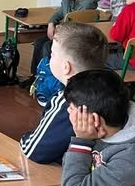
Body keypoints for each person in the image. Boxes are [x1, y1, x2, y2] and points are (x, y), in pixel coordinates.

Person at [20, 22, 108, 164]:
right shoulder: (113, 91)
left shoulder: (68, 102)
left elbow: (35, 151)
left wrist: (25, 138)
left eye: (52, 55)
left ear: (66, 67)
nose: (49, 59)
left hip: (74, 170)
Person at [29, 0, 99, 78]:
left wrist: (66, 1)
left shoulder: (87, 5)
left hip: (76, 38)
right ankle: (36, 76)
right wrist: (51, 23)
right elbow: (58, 14)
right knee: (39, 42)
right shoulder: (71, 0)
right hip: (65, 34)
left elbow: (70, 21)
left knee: (47, 46)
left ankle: (49, 77)